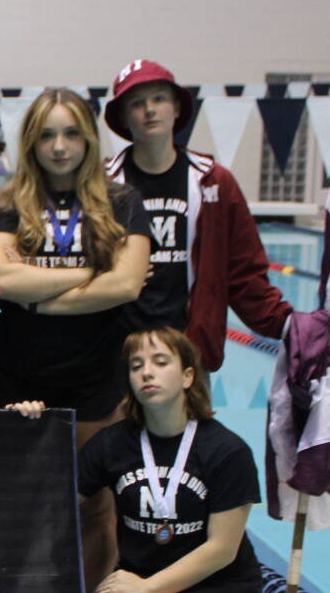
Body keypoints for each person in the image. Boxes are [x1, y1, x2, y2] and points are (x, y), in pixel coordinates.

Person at [13, 327, 261, 593]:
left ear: (188, 376)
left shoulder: (226, 451)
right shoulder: (115, 443)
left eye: (161, 363)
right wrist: (26, 431)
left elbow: (221, 550)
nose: (147, 373)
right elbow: (53, 503)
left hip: (214, 585)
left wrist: (147, 588)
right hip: (143, 578)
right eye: (137, 365)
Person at [0, 87, 152, 587]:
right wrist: (89, 274)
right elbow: (3, 283)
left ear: (89, 139)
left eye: (71, 134)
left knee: (95, 506)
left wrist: (37, 293)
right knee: (19, 501)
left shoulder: (122, 203)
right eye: (48, 135)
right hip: (20, 372)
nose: (59, 146)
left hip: (95, 374)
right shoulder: (8, 203)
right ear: (32, 142)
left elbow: (126, 285)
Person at [102, 59, 292, 369]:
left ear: (177, 108)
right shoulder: (102, 185)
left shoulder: (215, 182)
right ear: (123, 116)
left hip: (190, 352)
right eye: (137, 103)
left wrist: (287, 323)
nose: (149, 110)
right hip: (115, 353)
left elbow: (243, 272)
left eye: (159, 99)